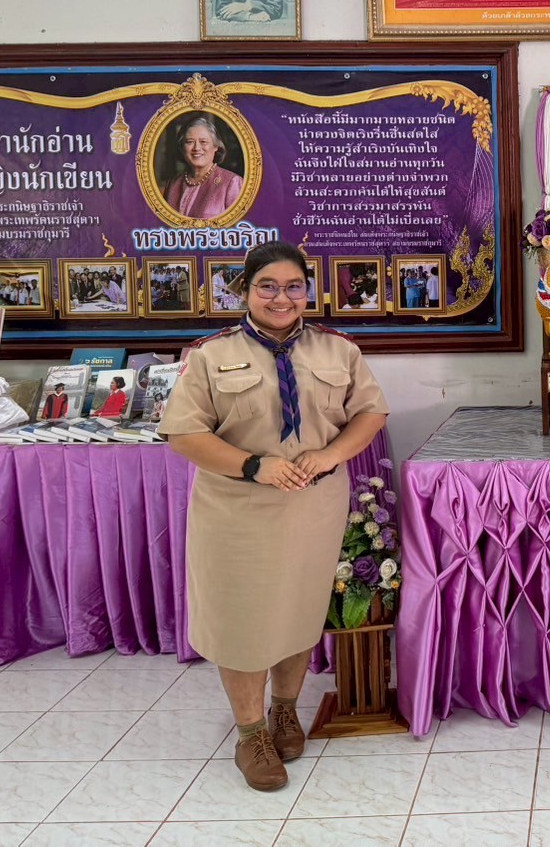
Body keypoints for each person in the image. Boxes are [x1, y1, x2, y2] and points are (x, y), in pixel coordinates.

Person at [160, 241, 388, 792]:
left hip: (313, 506)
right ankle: (250, 733)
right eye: (267, 286)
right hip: (237, 510)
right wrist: (253, 465)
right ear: (245, 290)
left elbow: (370, 412)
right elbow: (183, 433)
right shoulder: (210, 354)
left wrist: (331, 455)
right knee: (242, 619)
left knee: (297, 610)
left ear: (307, 291)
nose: (281, 298)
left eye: (293, 287)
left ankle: (285, 709)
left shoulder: (338, 349)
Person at [162, 114, 246, 221]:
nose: (197, 148)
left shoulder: (232, 183)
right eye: (189, 142)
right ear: (182, 148)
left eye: (203, 142)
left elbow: (240, 227)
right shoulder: (173, 184)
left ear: (216, 146)